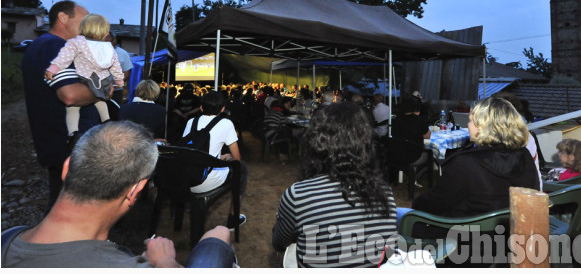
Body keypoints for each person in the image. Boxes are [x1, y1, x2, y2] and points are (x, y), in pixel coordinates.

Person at [1, 121, 237, 268]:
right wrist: (166, 262)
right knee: (218, 237)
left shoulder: (7, 237)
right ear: (135, 191)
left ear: (67, 167)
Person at [272, 102, 398, 268]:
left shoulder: (299, 195)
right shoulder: (384, 192)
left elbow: (279, 243)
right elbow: (388, 251)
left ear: (315, 141)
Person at [21, 0, 102, 208]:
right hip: (69, 145)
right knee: (71, 209)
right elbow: (70, 95)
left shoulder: (42, 45)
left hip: (59, 142)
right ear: (63, 18)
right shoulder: (55, 46)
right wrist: (103, 92)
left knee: (62, 206)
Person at [412, 97, 539, 218]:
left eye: (471, 121)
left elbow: (432, 204)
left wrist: (416, 204)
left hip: (463, 234)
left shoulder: (467, 164)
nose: (468, 125)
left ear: (483, 127)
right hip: (508, 231)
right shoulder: (524, 156)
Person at [44, 13, 124, 136]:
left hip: (85, 79)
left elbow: (64, 58)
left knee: (73, 108)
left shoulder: (77, 42)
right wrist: (119, 80)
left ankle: (73, 133)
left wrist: (53, 69)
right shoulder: (109, 47)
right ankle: (107, 121)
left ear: (82, 29)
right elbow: (116, 66)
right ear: (105, 34)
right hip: (103, 81)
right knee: (100, 101)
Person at [181, 91, 247, 229]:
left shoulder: (191, 122)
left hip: (185, 179)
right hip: (205, 180)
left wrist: (218, 157)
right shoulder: (226, 123)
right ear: (223, 109)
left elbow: (193, 150)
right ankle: (233, 219)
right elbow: (237, 158)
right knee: (242, 167)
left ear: (201, 108)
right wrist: (225, 156)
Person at [106, 31, 133, 106]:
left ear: (115, 40)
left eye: (110, 41)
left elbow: (127, 74)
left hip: (116, 91)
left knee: (115, 114)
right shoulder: (96, 51)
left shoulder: (123, 54)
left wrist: (113, 83)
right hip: (98, 91)